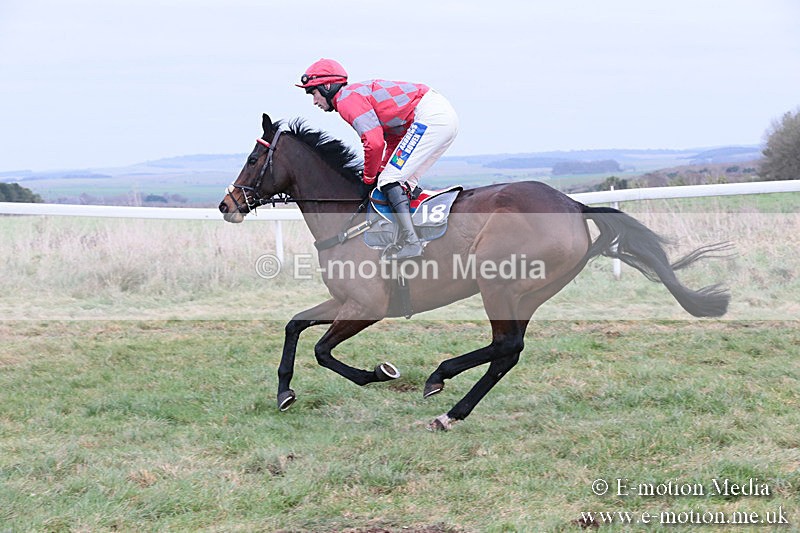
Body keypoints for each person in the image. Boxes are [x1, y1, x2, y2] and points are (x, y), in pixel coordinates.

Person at [296, 58, 459, 260]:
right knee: (399, 179)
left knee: (390, 180)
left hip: (431, 116)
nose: (314, 101)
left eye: (313, 92)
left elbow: (373, 143)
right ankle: (415, 235)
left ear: (327, 86)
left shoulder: (347, 100)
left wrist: (368, 178)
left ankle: (411, 242)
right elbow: (393, 139)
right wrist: (380, 170)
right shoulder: (354, 96)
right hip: (439, 116)